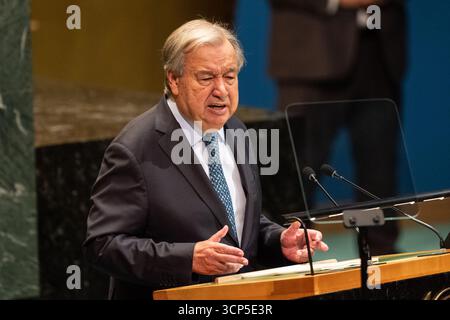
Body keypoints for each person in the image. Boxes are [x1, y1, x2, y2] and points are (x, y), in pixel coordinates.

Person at [83, 19, 329, 300]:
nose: (221, 90)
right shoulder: (136, 148)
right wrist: (188, 258)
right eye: (206, 77)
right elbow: (102, 245)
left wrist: (278, 241)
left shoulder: (236, 130)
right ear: (174, 80)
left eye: (229, 76)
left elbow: (236, 222)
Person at [268, 0, 406, 254]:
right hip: (311, 54)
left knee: (379, 172)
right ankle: (287, 255)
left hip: (379, 54)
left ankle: (379, 262)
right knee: (299, 168)